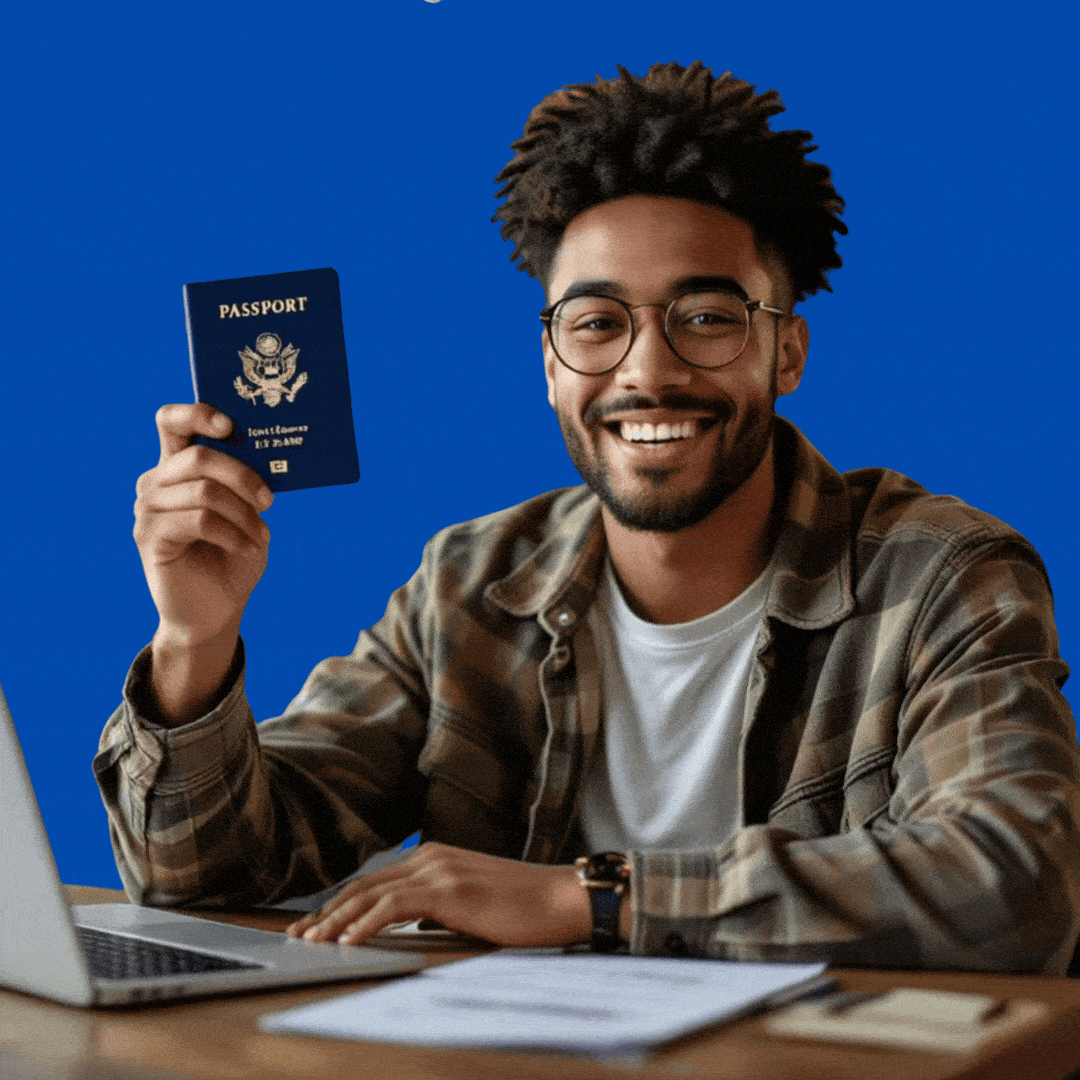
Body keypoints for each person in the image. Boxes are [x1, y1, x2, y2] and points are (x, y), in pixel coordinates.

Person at [96, 61, 1080, 973]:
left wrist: (592, 899)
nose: (647, 371)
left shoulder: (944, 575)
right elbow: (203, 881)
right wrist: (195, 641)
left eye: (706, 317)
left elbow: (1015, 887)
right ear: (551, 365)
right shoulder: (468, 586)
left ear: (787, 355)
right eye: (598, 323)